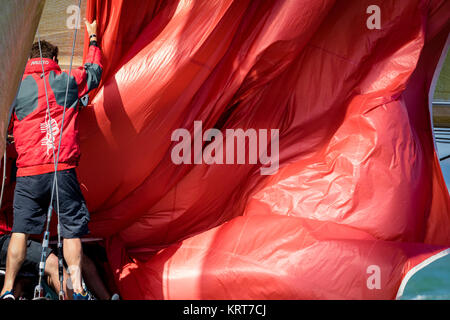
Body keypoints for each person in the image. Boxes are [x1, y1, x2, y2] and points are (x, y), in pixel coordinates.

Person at [0, 20, 102, 300]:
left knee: (20, 232)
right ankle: (79, 290)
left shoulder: (14, 88)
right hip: (62, 171)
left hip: (29, 174)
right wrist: (92, 38)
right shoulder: (67, 80)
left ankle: (7, 290)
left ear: (29, 60)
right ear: (54, 59)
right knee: (70, 232)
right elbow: (95, 73)